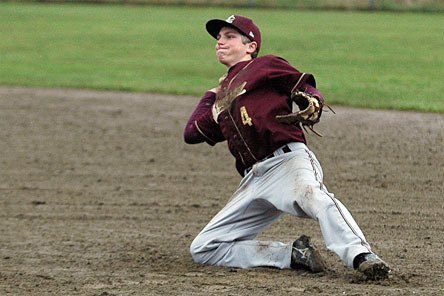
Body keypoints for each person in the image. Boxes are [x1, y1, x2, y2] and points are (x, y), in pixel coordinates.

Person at [183, 14, 391, 280]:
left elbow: (303, 87)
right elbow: (191, 133)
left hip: (287, 162)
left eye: (229, 36)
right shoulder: (221, 96)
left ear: (251, 46)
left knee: (314, 197)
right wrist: (212, 95)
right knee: (204, 248)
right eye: (219, 38)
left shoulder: (265, 65)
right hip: (253, 179)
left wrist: (313, 100)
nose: (219, 43)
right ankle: (293, 255)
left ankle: (361, 255)